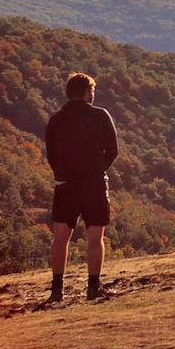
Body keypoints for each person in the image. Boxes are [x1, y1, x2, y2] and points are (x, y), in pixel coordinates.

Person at [44, 71, 119, 303]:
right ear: (87, 92)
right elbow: (113, 150)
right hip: (93, 184)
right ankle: (93, 288)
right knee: (95, 237)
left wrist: (63, 174)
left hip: (66, 184)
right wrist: (97, 169)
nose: (93, 95)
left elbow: (51, 154)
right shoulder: (100, 116)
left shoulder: (56, 120)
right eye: (93, 90)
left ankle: (57, 290)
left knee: (60, 237)